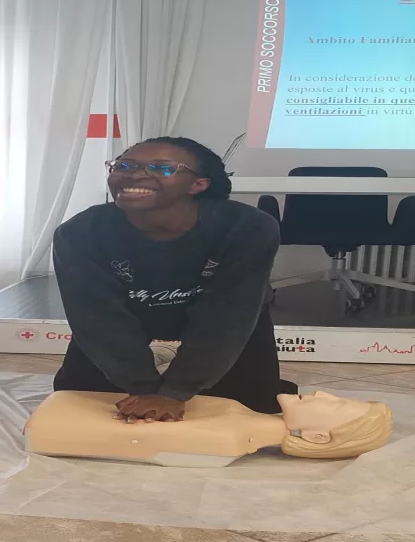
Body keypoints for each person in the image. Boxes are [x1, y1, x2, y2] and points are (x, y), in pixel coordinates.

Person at [52, 136, 297, 423]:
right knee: (81, 399)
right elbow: (97, 318)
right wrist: (143, 388)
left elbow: (228, 314)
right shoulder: (79, 232)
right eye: (124, 165)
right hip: (128, 312)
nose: (134, 174)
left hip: (227, 320)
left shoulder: (248, 227)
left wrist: (175, 391)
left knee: (256, 405)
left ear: (198, 184)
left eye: (161, 168)